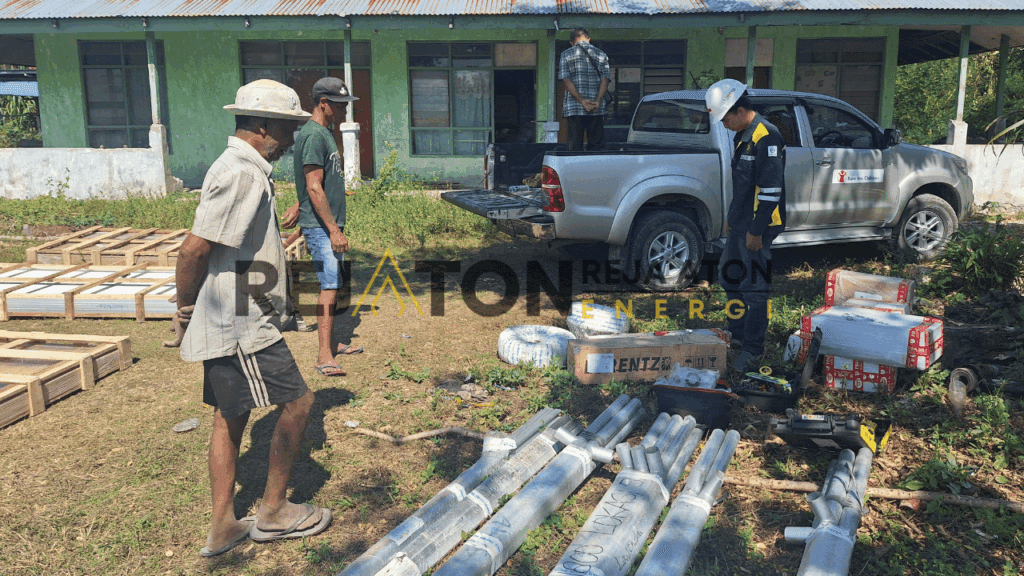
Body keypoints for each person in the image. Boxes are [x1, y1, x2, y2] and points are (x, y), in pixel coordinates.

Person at [171, 79, 332, 557]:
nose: (289, 140)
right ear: (262, 126)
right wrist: (185, 307)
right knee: (300, 404)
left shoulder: (248, 169)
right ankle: (273, 511)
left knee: (230, 414)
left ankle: (223, 525)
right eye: (286, 128)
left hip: (233, 312)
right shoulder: (240, 171)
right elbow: (194, 249)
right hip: (241, 318)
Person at [282, 77, 363, 377]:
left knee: (335, 283)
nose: (344, 110)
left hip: (322, 223)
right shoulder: (314, 136)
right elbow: (314, 186)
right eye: (339, 105)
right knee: (329, 286)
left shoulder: (324, 133)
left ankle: (334, 342)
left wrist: (302, 209)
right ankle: (323, 356)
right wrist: (332, 229)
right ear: (323, 104)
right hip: (324, 227)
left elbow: (315, 183)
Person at [705, 79, 787, 374]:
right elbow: (743, 186)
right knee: (730, 278)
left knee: (754, 289)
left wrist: (755, 230)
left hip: (759, 227)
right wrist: (733, 218)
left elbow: (769, 191)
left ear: (740, 110)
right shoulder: (744, 135)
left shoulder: (767, 136)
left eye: (725, 118)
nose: (724, 124)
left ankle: (753, 348)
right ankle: (736, 335)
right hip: (742, 224)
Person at [558, 28, 611, 151]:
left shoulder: (566, 54)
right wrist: (597, 101)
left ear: (572, 42)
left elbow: (566, 80)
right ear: (588, 39)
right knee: (597, 145)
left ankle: (575, 169)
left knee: (575, 146)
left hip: (574, 108)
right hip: (596, 108)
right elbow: (605, 79)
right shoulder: (601, 54)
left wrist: (582, 101)